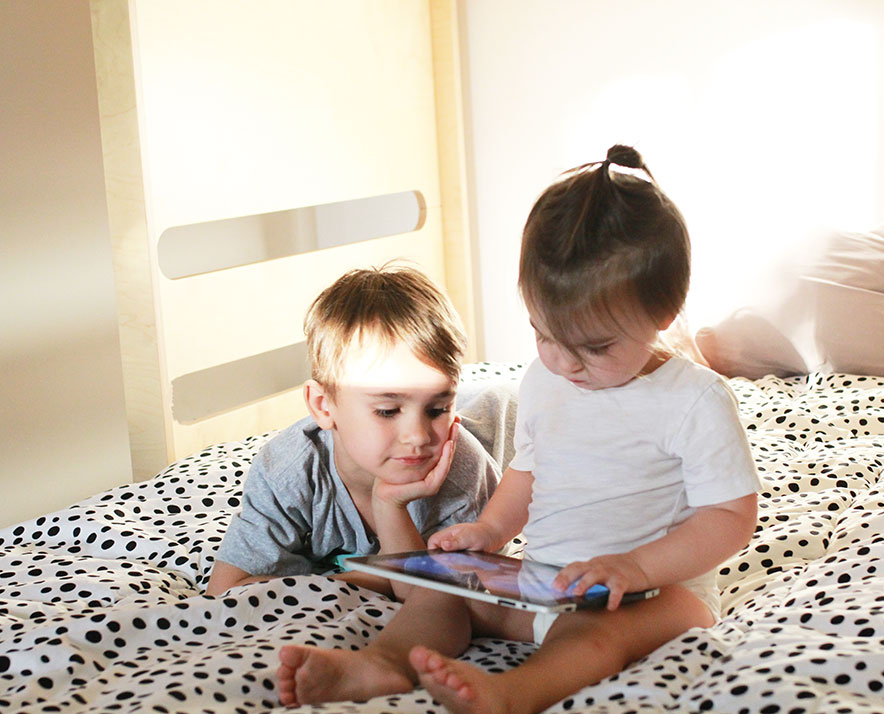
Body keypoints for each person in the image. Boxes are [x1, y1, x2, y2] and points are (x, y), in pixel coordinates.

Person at [275, 145, 762, 713]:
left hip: (656, 594)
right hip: (543, 582)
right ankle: (380, 667)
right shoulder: (544, 381)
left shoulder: (693, 399)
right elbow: (528, 473)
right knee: (442, 598)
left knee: (593, 637)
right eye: (544, 334)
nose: (564, 362)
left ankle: (511, 694)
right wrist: (487, 529)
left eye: (595, 347)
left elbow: (731, 517)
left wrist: (635, 568)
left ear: (664, 314)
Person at [205, 265, 500, 598]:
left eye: (437, 409)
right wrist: (386, 575)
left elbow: (449, 594)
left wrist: (391, 508)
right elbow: (225, 590)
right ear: (323, 406)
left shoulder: (462, 470)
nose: (418, 436)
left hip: (498, 413)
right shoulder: (286, 473)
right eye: (387, 411)